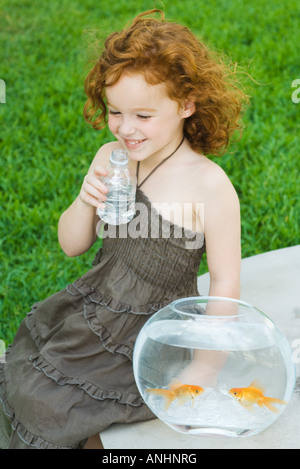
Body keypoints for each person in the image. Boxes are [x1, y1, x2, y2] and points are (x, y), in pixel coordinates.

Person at [0, 9, 248, 449]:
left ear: (186, 105)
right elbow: (72, 245)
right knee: (27, 368)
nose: (126, 129)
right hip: (96, 306)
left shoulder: (210, 186)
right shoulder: (111, 158)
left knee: (48, 403)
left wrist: (204, 369)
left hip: (151, 328)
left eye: (143, 116)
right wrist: (85, 199)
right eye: (115, 112)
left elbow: (226, 283)